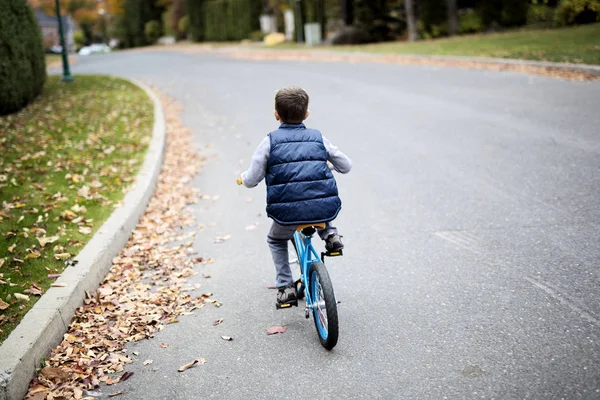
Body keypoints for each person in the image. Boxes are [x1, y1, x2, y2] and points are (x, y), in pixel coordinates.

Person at [239, 86, 352, 307]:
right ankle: (330, 235)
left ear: (276, 114)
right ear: (307, 114)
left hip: (287, 214)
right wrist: (330, 166)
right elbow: (345, 165)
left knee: (276, 239)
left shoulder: (270, 142)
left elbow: (252, 179)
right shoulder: (318, 137)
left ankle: (286, 287)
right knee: (316, 199)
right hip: (321, 208)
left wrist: (243, 178)